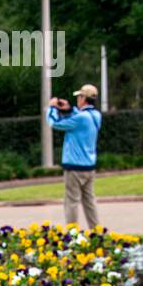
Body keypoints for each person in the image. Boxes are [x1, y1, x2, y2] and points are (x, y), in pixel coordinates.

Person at [46, 84, 102, 229]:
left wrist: (52, 108)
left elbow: (55, 123)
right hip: (89, 166)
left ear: (84, 98)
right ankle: (97, 232)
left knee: (71, 202)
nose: (77, 99)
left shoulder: (81, 118)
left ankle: (72, 235)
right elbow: (79, 115)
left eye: (79, 97)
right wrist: (69, 109)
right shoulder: (96, 116)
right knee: (89, 201)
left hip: (74, 167)